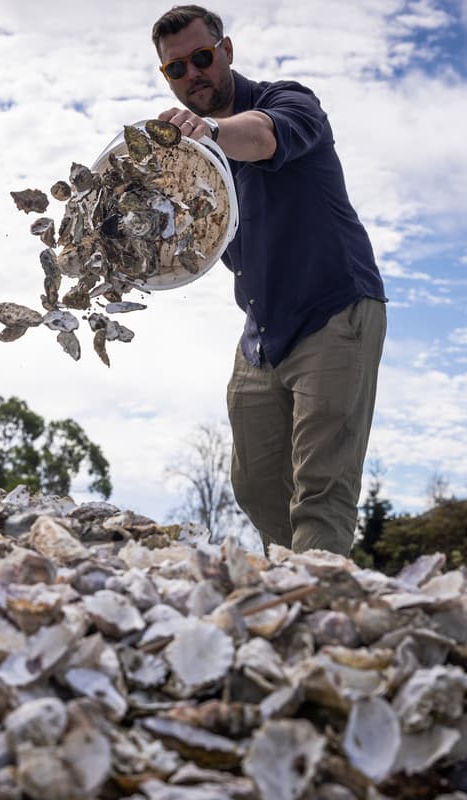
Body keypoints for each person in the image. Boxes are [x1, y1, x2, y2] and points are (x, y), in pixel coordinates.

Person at [152, 5, 387, 556]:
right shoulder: (193, 167)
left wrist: (210, 130)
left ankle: (316, 615)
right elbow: (177, 241)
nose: (193, 75)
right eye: (176, 70)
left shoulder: (288, 102)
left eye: (202, 58)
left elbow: (262, 138)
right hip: (262, 331)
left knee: (321, 489)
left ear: (226, 51)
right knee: (255, 487)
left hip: (336, 312)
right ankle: (295, 587)